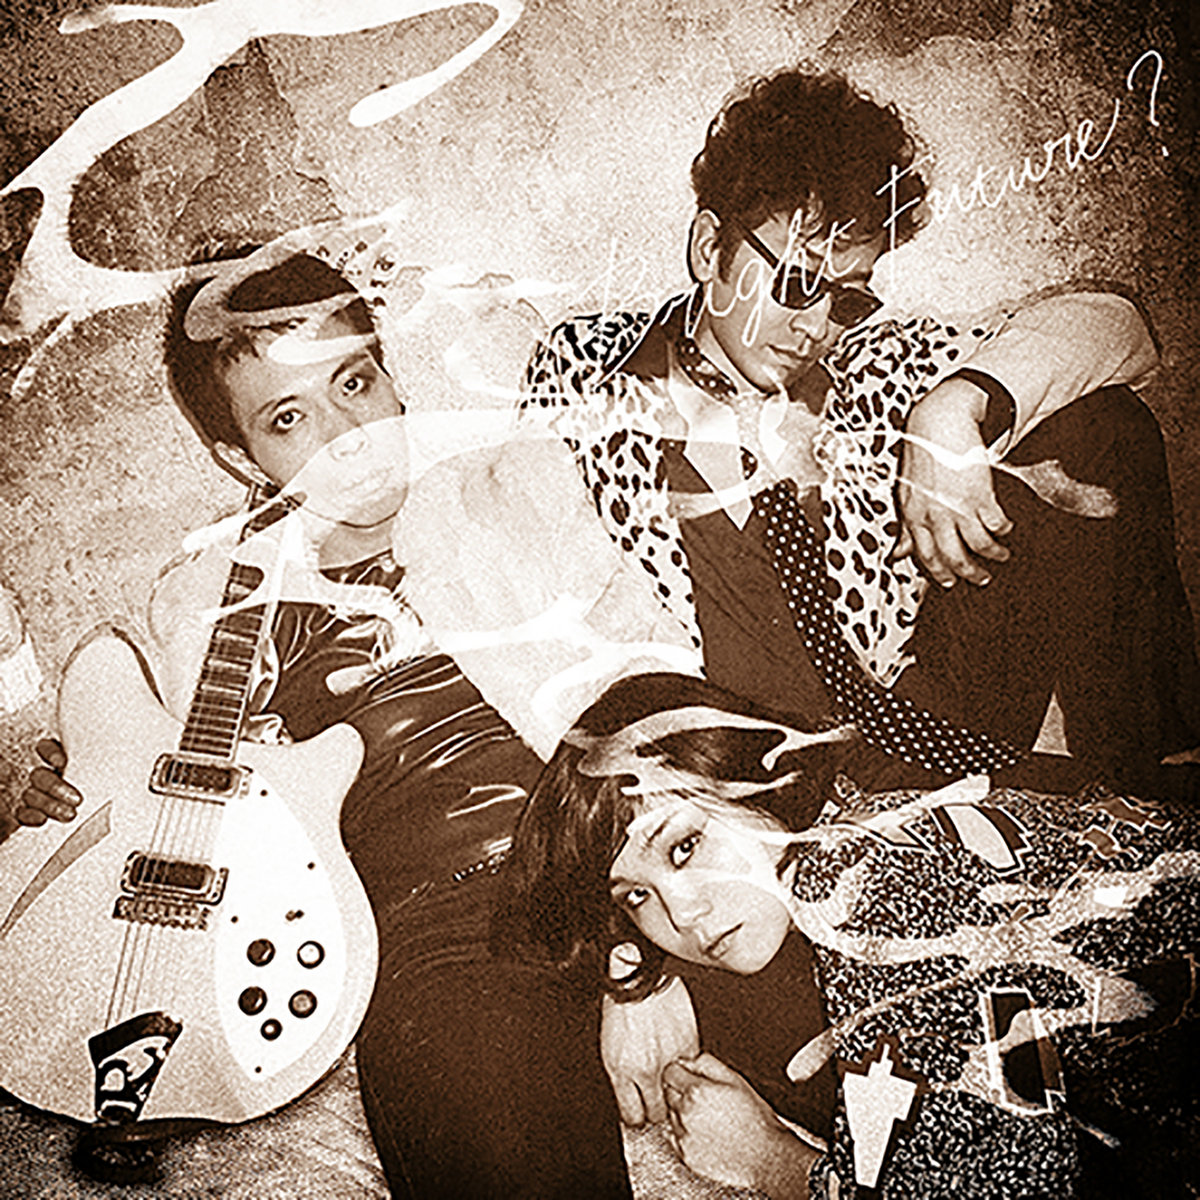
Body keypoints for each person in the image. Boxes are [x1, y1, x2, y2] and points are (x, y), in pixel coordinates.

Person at [11, 240, 693, 1196]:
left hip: (627, 861)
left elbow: (662, 706)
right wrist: (59, 796)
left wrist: (637, 954)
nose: (350, 438)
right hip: (438, 946)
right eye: (290, 418)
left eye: (355, 383)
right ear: (238, 457)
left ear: (392, 375)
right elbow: (143, 799)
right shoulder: (203, 601)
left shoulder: (509, 488)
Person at [523, 68, 1199, 799]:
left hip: (919, 720)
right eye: (796, 283)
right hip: (749, 775)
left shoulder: (868, 369)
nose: (815, 327)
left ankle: (1149, 775)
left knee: (1101, 426)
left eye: (847, 299)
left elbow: (1121, 330)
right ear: (710, 248)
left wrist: (951, 410)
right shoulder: (591, 370)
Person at [501, 671, 1200, 1198]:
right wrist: (629, 981)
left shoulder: (858, 877)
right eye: (637, 895)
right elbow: (541, 932)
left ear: (754, 780)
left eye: (685, 846)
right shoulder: (849, 803)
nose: (682, 916)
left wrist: (775, 1163)